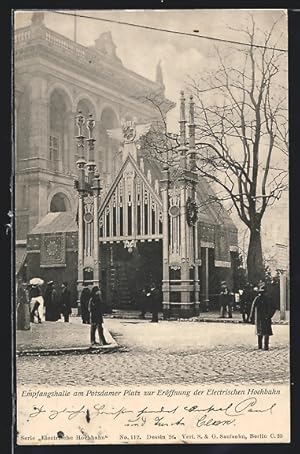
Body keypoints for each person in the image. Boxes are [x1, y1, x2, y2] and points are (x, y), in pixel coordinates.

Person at [249, 282, 277, 351]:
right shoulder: (268, 298)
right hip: (265, 317)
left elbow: (253, 307)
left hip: (260, 317)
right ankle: (265, 346)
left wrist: (251, 317)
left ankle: (260, 346)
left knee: (260, 332)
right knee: (265, 332)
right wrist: (270, 315)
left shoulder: (258, 298)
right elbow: (274, 307)